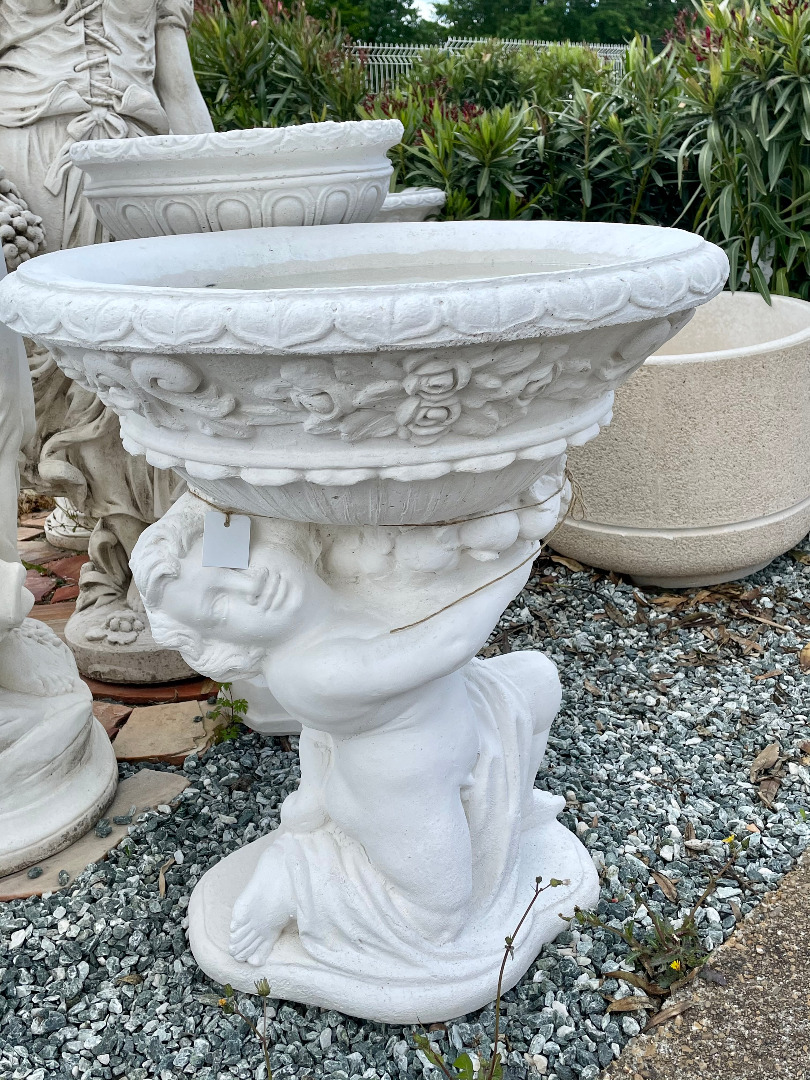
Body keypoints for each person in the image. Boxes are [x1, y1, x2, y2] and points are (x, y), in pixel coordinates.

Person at [131, 494, 563, 969]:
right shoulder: (312, 670)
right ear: (227, 642)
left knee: (539, 681)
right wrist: (516, 561)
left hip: (460, 706)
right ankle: (297, 883)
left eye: (231, 563)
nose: (247, 587)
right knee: (440, 915)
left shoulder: (335, 583)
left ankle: (507, 809)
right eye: (220, 607)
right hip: (401, 792)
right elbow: (448, 642)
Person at [0, 0, 213, 662]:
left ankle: (128, 572)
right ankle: (108, 557)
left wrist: (214, 187)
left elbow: (176, 83)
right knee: (65, 387)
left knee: (149, 374)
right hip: (27, 168)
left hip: (140, 167)